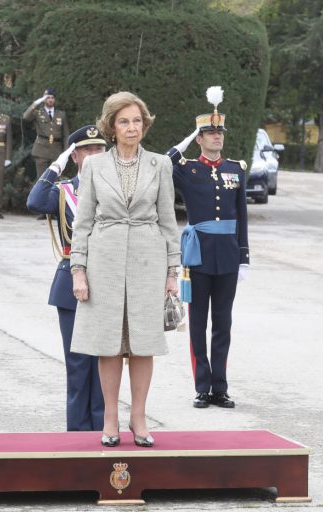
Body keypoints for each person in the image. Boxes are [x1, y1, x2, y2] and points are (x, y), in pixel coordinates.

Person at [70, 92, 180, 448]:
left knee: (144, 342)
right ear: (111, 127)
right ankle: (110, 418)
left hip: (149, 258)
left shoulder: (161, 164)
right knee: (109, 344)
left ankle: (139, 416)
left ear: (144, 124)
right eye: (124, 121)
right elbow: (82, 222)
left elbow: (168, 220)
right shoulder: (94, 166)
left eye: (137, 121)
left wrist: (172, 272)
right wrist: (79, 270)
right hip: (105, 260)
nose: (132, 127)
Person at [167, 87, 248, 409]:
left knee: (223, 324)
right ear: (199, 138)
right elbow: (163, 162)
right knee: (198, 322)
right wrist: (188, 138)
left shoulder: (235, 169)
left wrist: (244, 257)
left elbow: (241, 215)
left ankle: (220, 387)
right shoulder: (187, 168)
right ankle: (202, 386)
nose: (216, 137)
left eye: (219, 133)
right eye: (209, 133)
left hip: (227, 253)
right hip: (198, 254)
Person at [26, 125, 107, 432]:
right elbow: (34, 202)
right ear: (75, 156)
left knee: (104, 363)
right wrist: (55, 164)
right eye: (87, 150)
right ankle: (77, 434)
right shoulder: (63, 192)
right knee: (77, 365)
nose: (95, 155)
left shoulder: (115, 188)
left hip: (107, 280)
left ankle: (102, 429)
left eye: (100, 149)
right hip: (70, 281)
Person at [23, 88, 70, 181]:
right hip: (41, 149)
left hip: (56, 150)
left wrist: (65, 152)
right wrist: (36, 103)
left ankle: (53, 196)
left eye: (52, 97)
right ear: (44, 99)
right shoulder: (37, 113)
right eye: (48, 97)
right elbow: (25, 117)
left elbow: (66, 135)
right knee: (41, 179)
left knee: (55, 179)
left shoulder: (61, 114)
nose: (50, 100)